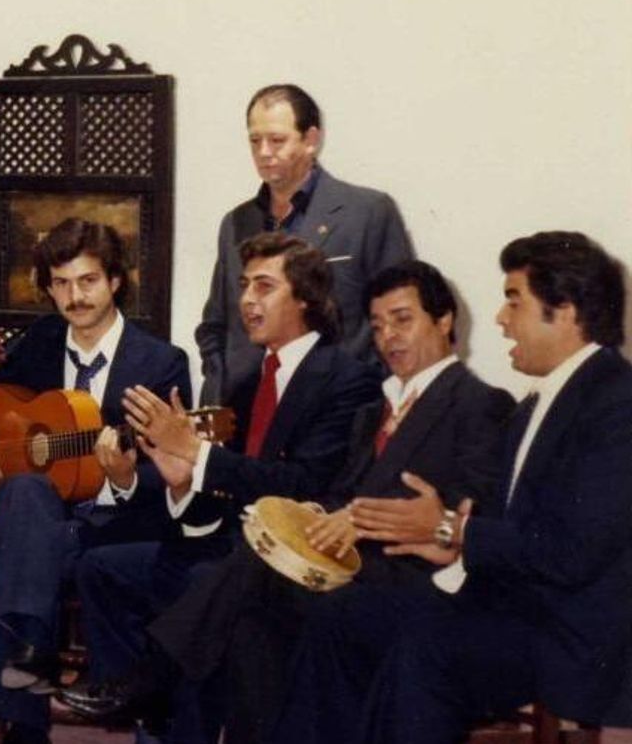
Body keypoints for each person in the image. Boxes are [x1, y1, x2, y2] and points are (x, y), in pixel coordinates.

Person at [66, 260, 513, 742]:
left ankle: (157, 676)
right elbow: (333, 496)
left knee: (252, 576)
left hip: (408, 577)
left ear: (444, 321)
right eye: (379, 325)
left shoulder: (481, 403)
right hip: (342, 567)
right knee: (249, 620)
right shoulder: (373, 412)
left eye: (403, 320)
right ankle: (166, 687)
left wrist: (356, 519)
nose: (388, 337)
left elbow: (469, 512)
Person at [273, 231, 632, 743]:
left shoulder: (617, 401)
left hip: (570, 634)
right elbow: (509, 529)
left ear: (567, 310)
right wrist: (448, 545)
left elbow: (574, 551)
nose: (501, 319)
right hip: (508, 606)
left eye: (514, 300)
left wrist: (453, 530)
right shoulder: (537, 403)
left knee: (428, 645)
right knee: (343, 614)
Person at [57, 232, 379, 741]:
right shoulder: (248, 381)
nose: (247, 299)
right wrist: (182, 482)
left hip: (284, 562)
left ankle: (148, 686)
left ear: (305, 299)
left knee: (205, 594)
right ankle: (145, 712)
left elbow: (302, 485)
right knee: (101, 569)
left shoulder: (345, 378)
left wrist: (196, 453)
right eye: (244, 285)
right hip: (225, 546)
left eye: (264, 287)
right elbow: (215, 490)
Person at [0, 218, 192, 744]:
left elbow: (175, 471)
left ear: (115, 281)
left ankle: (25, 698)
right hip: (40, 522)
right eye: (60, 284)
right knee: (29, 491)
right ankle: (32, 665)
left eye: (87, 281)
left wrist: (122, 478)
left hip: (114, 527)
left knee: (31, 524)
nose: (74, 297)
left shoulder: (161, 363)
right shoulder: (43, 340)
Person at [196, 84, 414, 405]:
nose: (264, 152)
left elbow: (399, 316)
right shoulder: (236, 223)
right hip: (248, 411)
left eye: (277, 140)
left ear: (311, 140)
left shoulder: (367, 213)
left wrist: (368, 397)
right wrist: (220, 381)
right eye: (255, 141)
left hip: (334, 409)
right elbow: (216, 323)